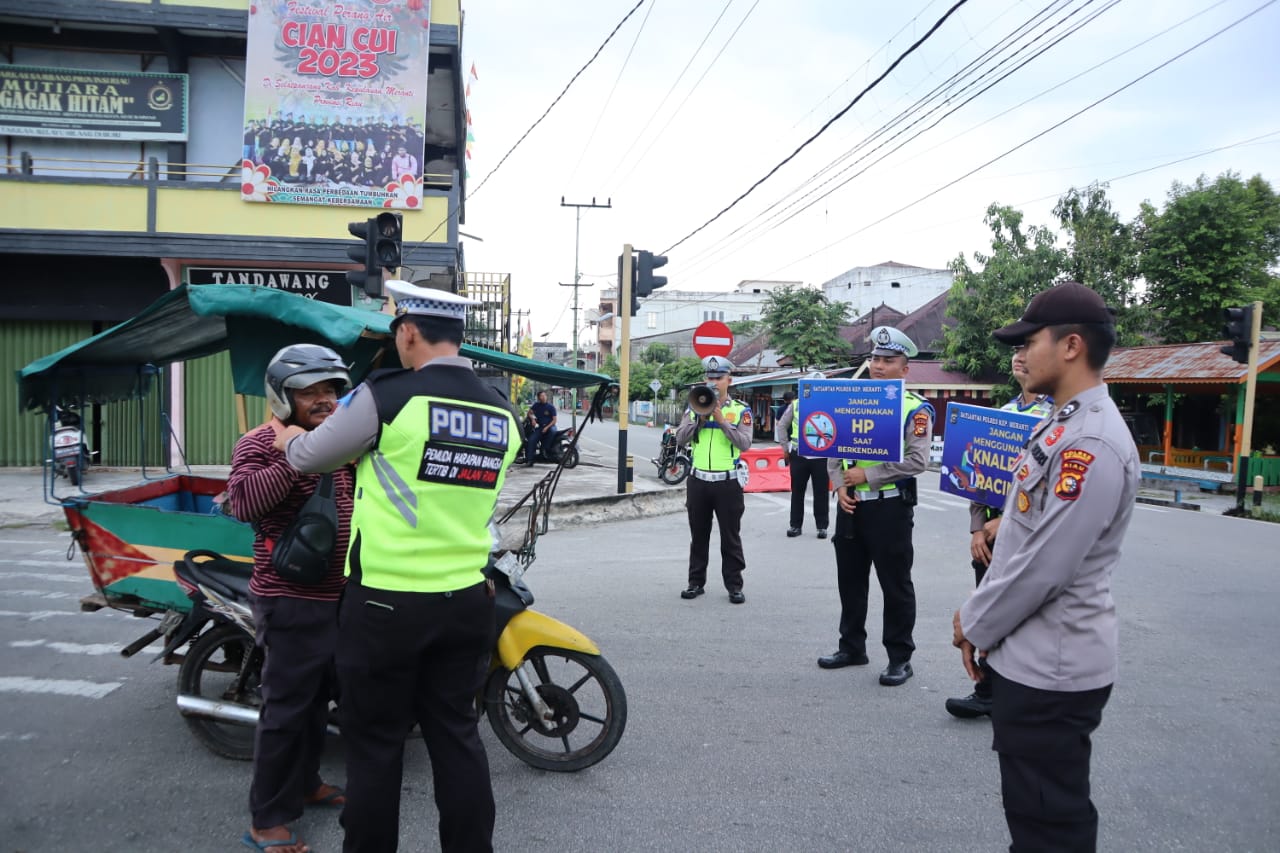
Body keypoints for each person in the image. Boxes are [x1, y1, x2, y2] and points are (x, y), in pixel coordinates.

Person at [273, 281, 520, 853]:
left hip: (385, 604)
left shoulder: (387, 397)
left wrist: (285, 432)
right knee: (457, 739)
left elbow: (312, 457)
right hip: (466, 600)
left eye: (397, 333)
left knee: (376, 746)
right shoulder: (502, 411)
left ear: (408, 332)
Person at [953, 281, 1140, 852]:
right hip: (1028, 659)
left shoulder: (1092, 443)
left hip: (1052, 669)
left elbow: (1045, 567)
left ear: (1071, 346)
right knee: (1032, 816)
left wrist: (972, 620)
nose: (1018, 354)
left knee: (1049, 826)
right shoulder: (1058, 423)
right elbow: (1034, 525)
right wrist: (997, 524)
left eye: (1028, 341)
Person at [226, 344, 356, 853]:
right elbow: (242, 503)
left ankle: (306, 784)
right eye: (311, 392)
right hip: (290, 598)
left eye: (331, 390)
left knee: (317, 703)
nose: (324, 400)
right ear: (283, 397)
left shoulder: (346, 443)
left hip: (341, 596)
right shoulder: (260, 442)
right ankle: (268, 820)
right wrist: (294, 454)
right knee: (285, 710)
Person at [819, 326, 933, 686]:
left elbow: (917, 461)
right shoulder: (852, 399)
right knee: (850, 581)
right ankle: (852, 647)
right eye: (875, 359)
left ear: (904, 368)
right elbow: (832, 446)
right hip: (851, 506)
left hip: (890, 508)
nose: (878, 366)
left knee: (895, 584)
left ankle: (900, 657)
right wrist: (839, 485)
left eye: (888, 360)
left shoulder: (914, 410)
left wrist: (867, 476)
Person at [945, 351, 1053, 719]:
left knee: (1024, 612)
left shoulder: (1055, 418)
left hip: (1029, 533)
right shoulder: (1001, 414)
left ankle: (1023, 691)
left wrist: (1005, 522)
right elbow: (978, 476)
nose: (1019, 358)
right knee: (988, 603)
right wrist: (977, 528)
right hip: (989, 536)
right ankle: (987, 689)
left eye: (1029, 350)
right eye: (1015, 352)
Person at [675, 355, 753, 604]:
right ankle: (695, 582)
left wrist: (722, 421)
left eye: (719, 378)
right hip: (698, 481)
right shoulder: (693, 406)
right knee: (698, 534)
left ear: (729, 380)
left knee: (731, 536)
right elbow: (680, 439)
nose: (714, 382)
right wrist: (700, 419)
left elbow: (745, 443)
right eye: (710, 377)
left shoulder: (740, 410)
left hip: (727, 482)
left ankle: (734, 585)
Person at [774, 377, 831, 539]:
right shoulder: (797, 404)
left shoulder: (831, 404)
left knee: (821, 492)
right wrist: (785, 448)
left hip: (822, 456)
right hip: (799, 455)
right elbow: (782, 425)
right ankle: (795, 526)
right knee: (797, 492)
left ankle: (822, 527)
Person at [525, 389, 558, 465]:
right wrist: (532, 419)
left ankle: (544, 449)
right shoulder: (536, 405)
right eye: (541, 396)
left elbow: (554, 420)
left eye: (544, 396)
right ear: (538, 398)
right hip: (540, 427)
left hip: (550, 426)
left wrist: (547, 428)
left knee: (552, 431)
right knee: (531, 440)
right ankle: (530, 460)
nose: (543, 397)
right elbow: (529, 413)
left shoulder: (551, 407)